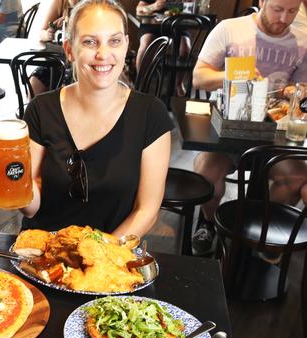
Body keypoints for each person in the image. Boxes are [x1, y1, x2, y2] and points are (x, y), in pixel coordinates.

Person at [19, 0, 173, 238]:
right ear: (69, 49)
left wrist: (99, 259)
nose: (103, 54)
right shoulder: (41, 109)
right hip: (42, 253)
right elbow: (32, 208)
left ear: (126, 46)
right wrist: (11, 173)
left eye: (114, 41)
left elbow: (146, 210)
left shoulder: (150, 114)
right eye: (90, 42)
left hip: (110, 260)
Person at [191, 0, 307, 254]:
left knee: (297, 178)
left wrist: (294, 92)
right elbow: (199, 77)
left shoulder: (302, 41)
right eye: (277, 9)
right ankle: (208, 223)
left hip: (273, 134)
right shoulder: (230, 29)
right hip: (228, 128)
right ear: (263, 2)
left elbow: (302, 92)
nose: (284, 18)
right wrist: (231, 75)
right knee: (206, 174)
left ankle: (260, 231)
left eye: (292, 11)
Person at [27, 0, 78, 97]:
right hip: (59, 58)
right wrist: (49, 33)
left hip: (81, 61)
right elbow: (42, 32)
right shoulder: (60, 3)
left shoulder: (95, 5)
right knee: (35, 82)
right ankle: (33, 111)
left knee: (68, 84)